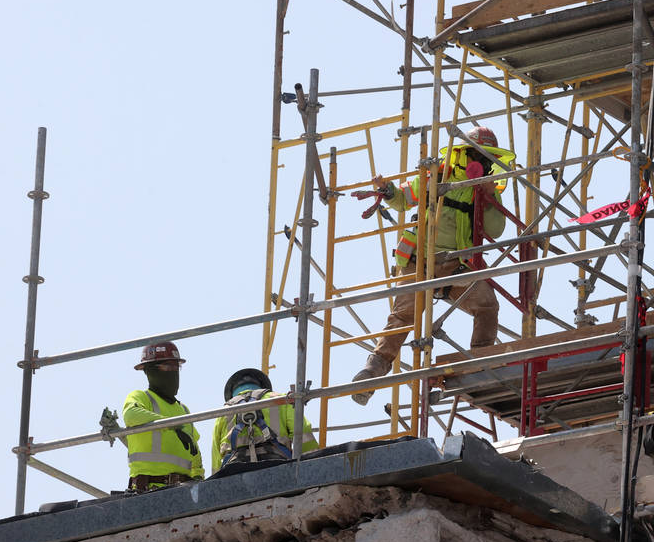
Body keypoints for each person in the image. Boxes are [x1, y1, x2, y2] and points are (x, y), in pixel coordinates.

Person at [351, 126, 514, 404]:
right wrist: (387, 190)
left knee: (487, 306)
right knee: (403, 317)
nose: (480, 162)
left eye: (486, 159)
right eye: (476, 155)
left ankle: (480, 361)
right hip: (419, 262)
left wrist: (489, 198)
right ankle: (371, 373)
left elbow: (496, 230)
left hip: (455, 265)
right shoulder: (437, 175)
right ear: (462, 154)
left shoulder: (485, 189)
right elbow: (403, 199)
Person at [123, 341, 204, 491]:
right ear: (149, 371)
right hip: (148, 490)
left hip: (183, 491)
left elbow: (194, 453)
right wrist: (171, 425)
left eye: (176, 367)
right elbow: (131, 415)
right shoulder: (141, 397)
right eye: (167, 367)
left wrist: (199, 478)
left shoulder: (184, 410)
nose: (173, 372)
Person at [211, 367, 319, 472]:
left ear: (232, 393)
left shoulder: (223, 412)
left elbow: (216, 456)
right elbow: (302, 431)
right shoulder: (280, 399)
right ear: (261, 386)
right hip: (277, 466)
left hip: (233, 471)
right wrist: (312, 465)